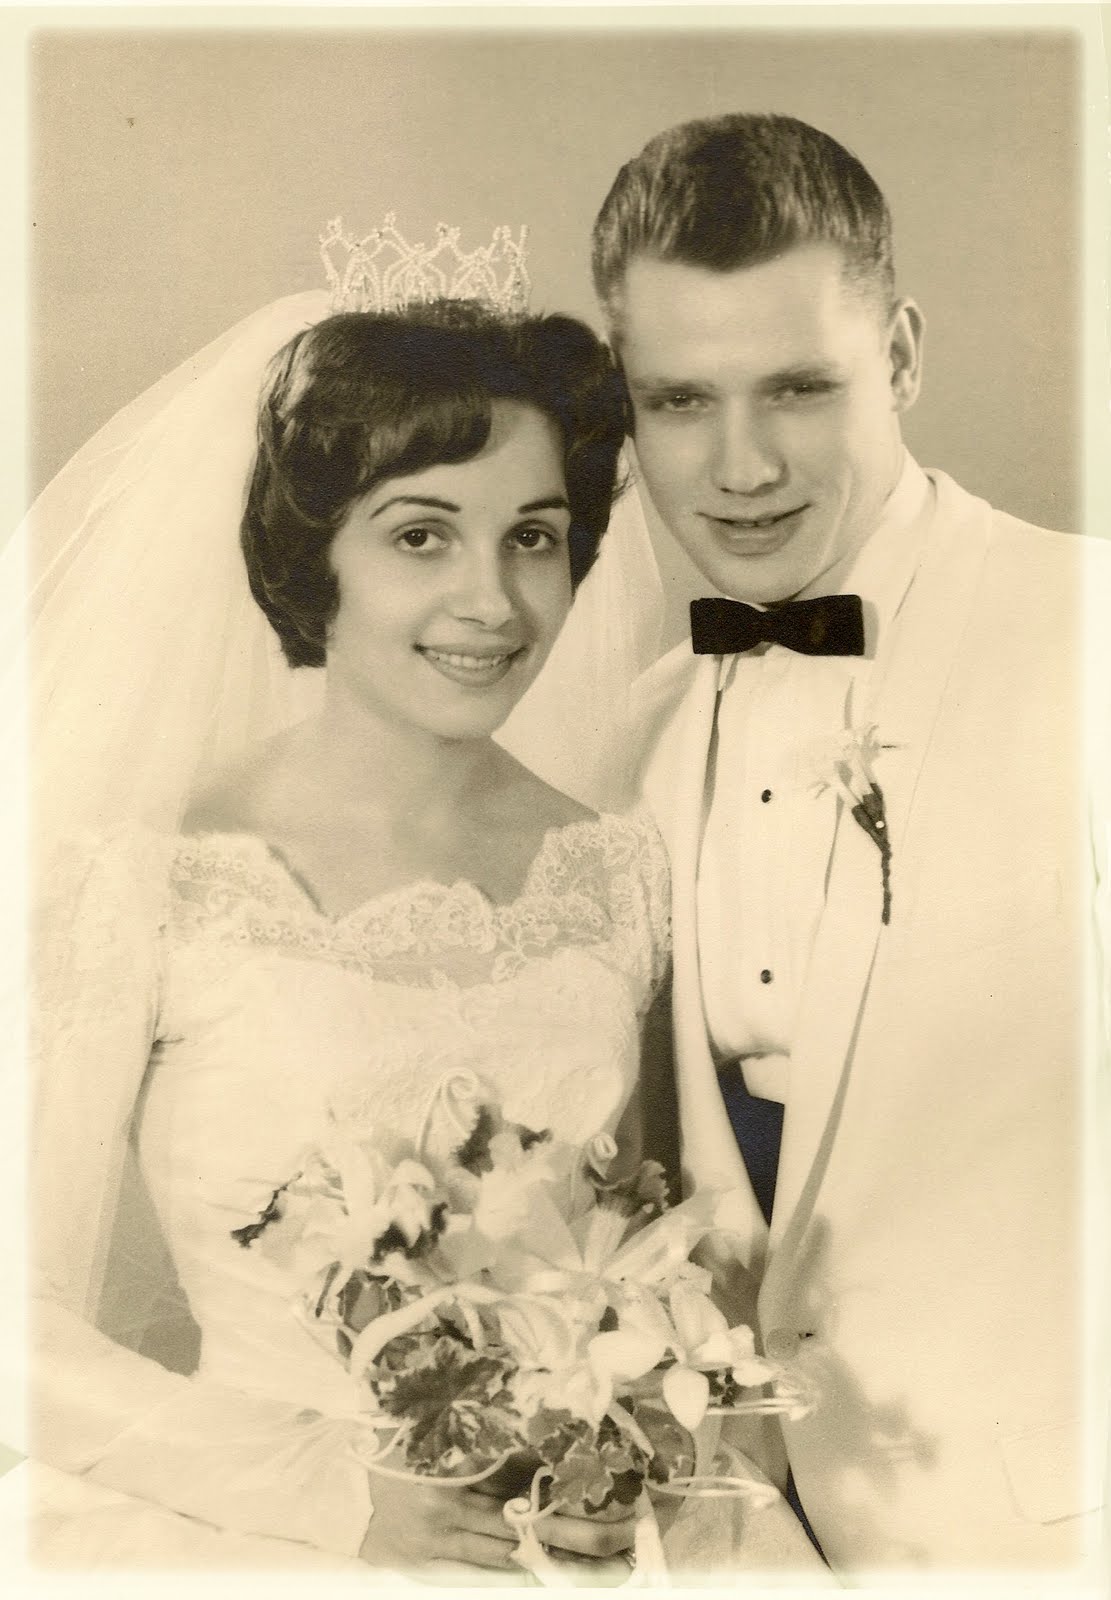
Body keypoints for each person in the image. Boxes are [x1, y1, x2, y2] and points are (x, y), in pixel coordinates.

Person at [25, 263, 672, 1574]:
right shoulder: (151, 874)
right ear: (313, 548)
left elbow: (657, 1252)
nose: (491, 602)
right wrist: (327, 1493)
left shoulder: (624, 872)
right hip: (263, 1539)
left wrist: (628, 1431)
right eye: (420, 534)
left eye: (533, 536)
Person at [591, 113, 1110, 1576]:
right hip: (743, 1532)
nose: (740, 466)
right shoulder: (640, 726)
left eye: (799, 389)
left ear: (902, 355)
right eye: (680, 402)